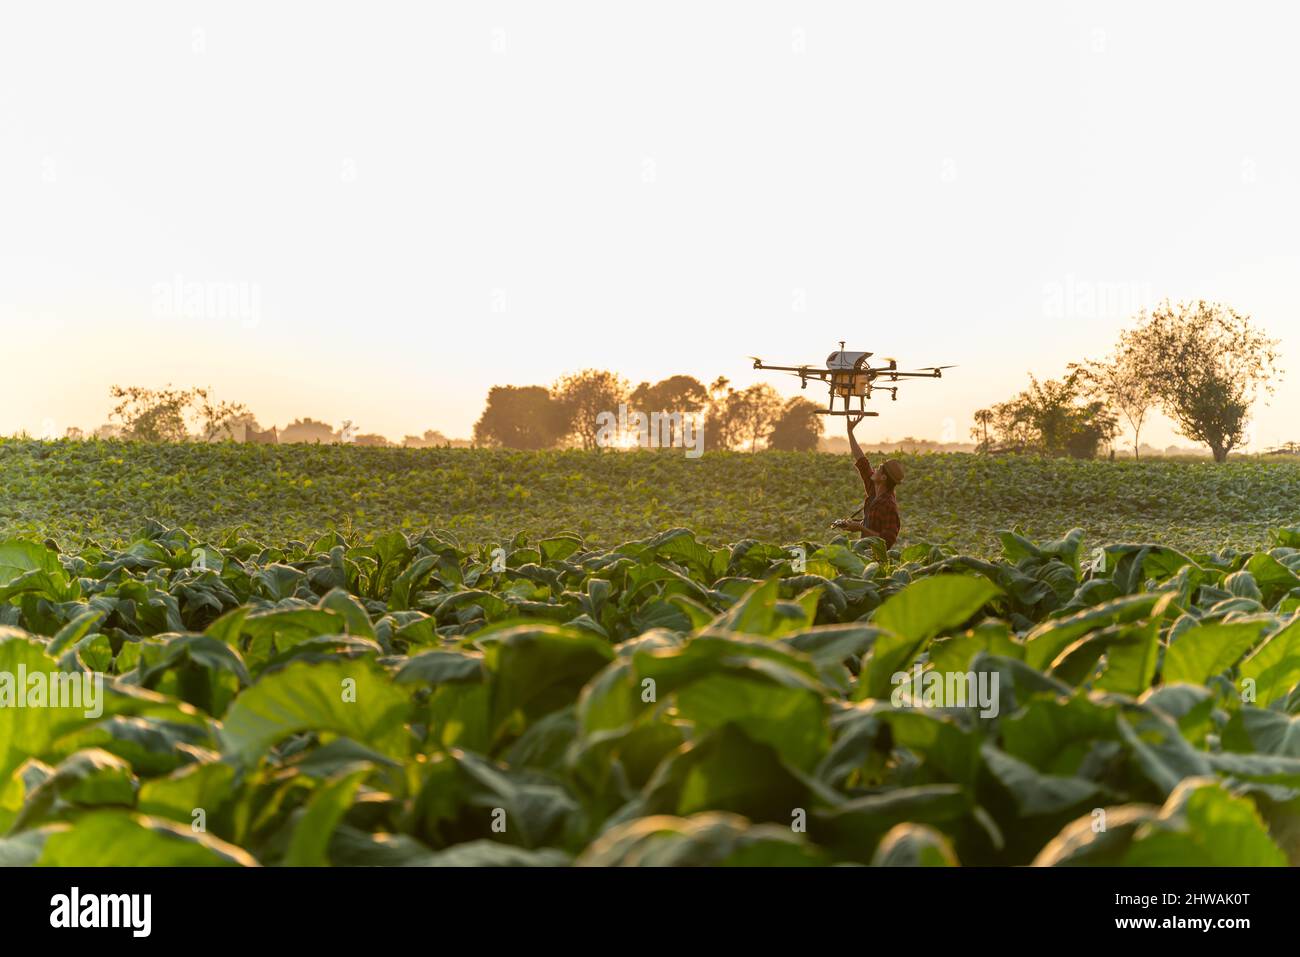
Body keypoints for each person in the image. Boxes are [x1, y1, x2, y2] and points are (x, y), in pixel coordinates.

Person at [833, 414, 904, 547]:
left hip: (875, 557)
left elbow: (887, 541)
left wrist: (861, 529)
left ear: (883, 478)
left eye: (879, 469)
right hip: (863, 550)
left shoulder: (889, 504)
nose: (875, 469)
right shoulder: (874, 490)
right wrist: (850, 432)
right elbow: (861, 460)